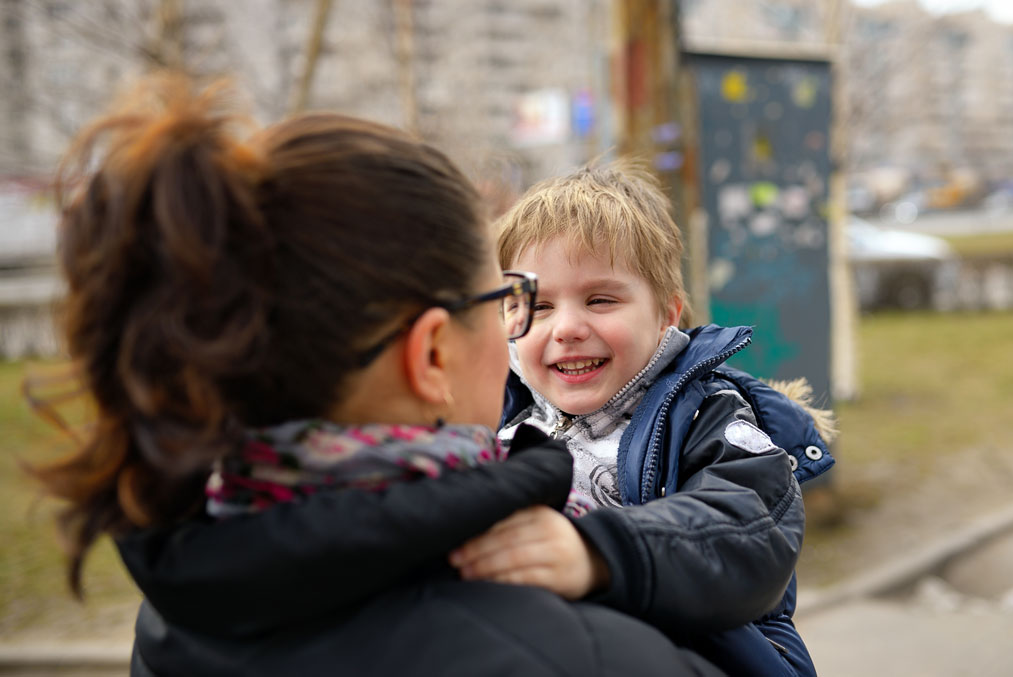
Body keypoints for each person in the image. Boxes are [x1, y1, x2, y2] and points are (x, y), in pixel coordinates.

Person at [28, 77, 721, 677]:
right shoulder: (583, 656)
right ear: (430, 356)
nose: (529, 325)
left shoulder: (174, 619)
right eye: (507, 299)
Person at [450, 163, 836, 676]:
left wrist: (597, 553)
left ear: (667, 315)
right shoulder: (494, 419)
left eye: (600, 299)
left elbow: (748, 530)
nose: (567, 327)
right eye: (540, 306)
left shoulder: (708, 418)